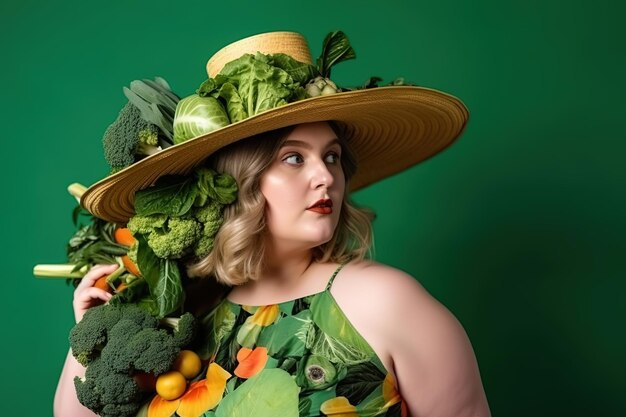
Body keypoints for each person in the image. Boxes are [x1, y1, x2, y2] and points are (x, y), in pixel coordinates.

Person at [54, 32, 491, 417]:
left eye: (332, 156)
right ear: (234, 182)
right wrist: (90, 344)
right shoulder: (187, 316)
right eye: (294, 157)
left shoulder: (386, 303)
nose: (325, 177)